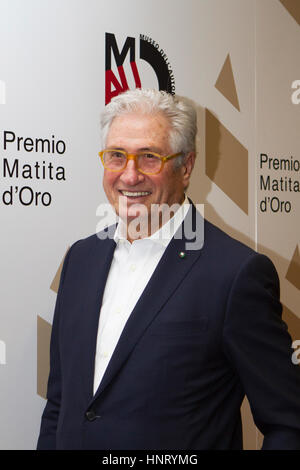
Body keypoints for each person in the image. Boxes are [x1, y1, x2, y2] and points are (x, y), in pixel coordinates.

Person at [37, 89, 300, 450]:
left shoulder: (235, 274)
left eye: (149, 158)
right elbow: (59, 405)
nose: (129, 177)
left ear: (186, 166)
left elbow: (289, 422)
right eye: (116, 156)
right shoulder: (80, 259)